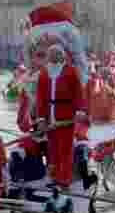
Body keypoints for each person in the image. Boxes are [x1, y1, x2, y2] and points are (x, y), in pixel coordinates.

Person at [35, 43, 88, 188]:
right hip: (49, 116)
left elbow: (78, 92)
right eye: (50, 54)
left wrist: (79, 110)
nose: (53, 56)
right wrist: (40, 118)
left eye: (56, 54)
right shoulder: (44, 72)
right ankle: (53, 176)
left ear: (62, 55)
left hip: (66, 116)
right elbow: (40, 97)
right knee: (52, 149)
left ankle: (64, 179)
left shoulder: (71, 71)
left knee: (65, 149)